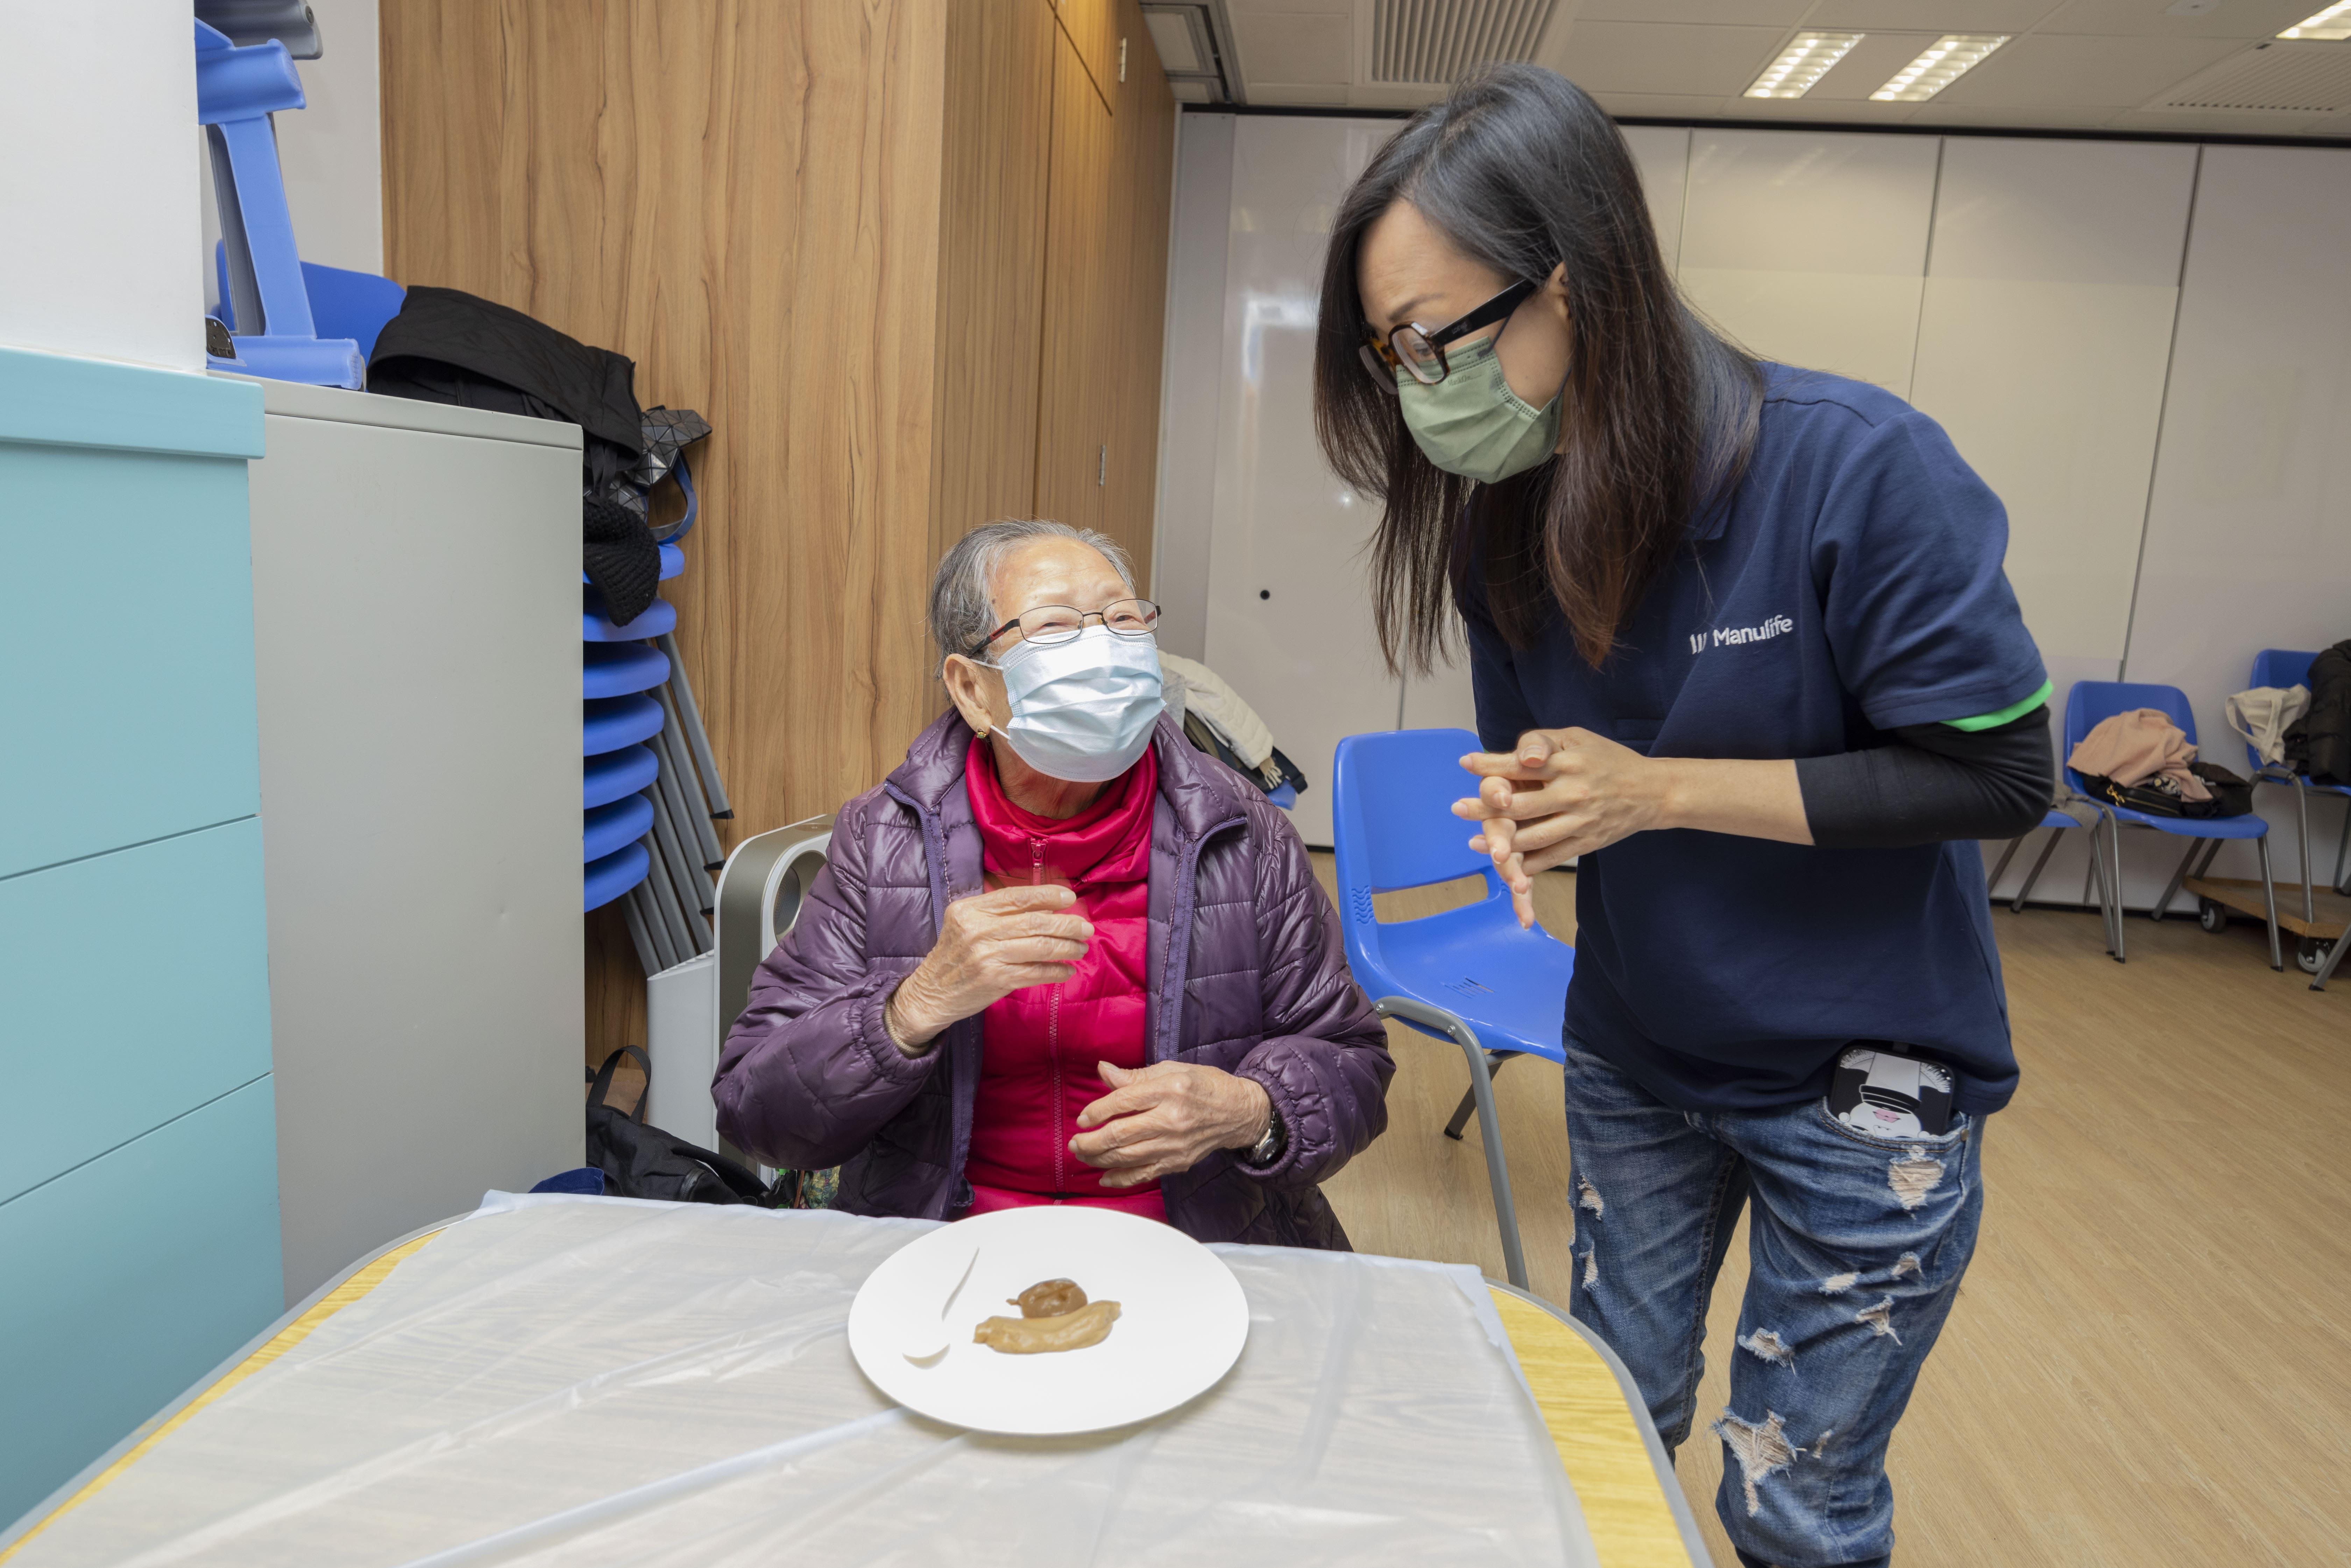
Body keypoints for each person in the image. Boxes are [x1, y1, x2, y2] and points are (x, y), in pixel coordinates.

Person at [1313, 65, 2052, 1568]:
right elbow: (1552, 766)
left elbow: (2000, 776)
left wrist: (1656, 790)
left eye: (1432, 338)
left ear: (1571, 288)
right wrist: (1534, 809)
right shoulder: (1505, 517)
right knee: (1606, 1411)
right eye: (1389, 352)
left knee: (1797, 1499)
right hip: (1640, 1047)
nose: (1416, 384)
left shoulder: (1857, 468)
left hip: (1864, 1085)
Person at [713, 520, 1392, 1246]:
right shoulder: (883, 844)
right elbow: (758, 1115)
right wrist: (912, 1007)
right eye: (1056, 626)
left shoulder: (1241, 831)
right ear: (972, 688)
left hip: (1194, 1242)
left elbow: (1352, 1060)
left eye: (1124, 619)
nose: (1102, 648)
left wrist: (1254, 1108)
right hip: (948, 1244)